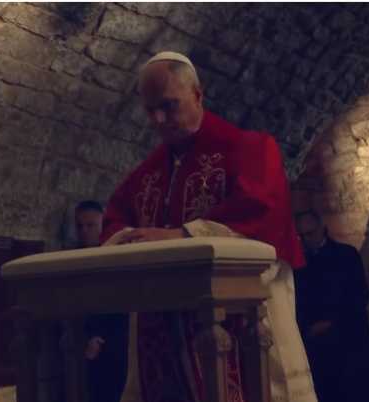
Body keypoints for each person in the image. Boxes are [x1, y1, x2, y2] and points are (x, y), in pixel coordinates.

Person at [99, 51, 317, 402]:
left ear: (197, 95)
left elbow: (261, 209)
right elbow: (114, 218)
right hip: (166, 324)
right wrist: (129, 239)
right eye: (150, 110)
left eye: (168, 106)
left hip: (240, 318)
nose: (159, 120)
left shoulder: (250, 149)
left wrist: (179, 236)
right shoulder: (146, 174)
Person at [294, 213, 369, 402]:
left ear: (322, 229)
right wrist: (307, 327)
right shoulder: (300, 264)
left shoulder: (346, 255)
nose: (306, 240)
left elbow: (358, 296)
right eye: (301, 236)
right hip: (313, 333)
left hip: (345, 331)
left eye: (310, 234)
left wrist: (332, 322)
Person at [75, 200, 129, 402]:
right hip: (83, 335)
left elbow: (117, 298)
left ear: (102, 225)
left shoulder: (114, 256)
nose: (84, 231)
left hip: (113, 337)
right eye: (80, 226)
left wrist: (98, 334)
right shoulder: (73, 257)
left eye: (90, 225)